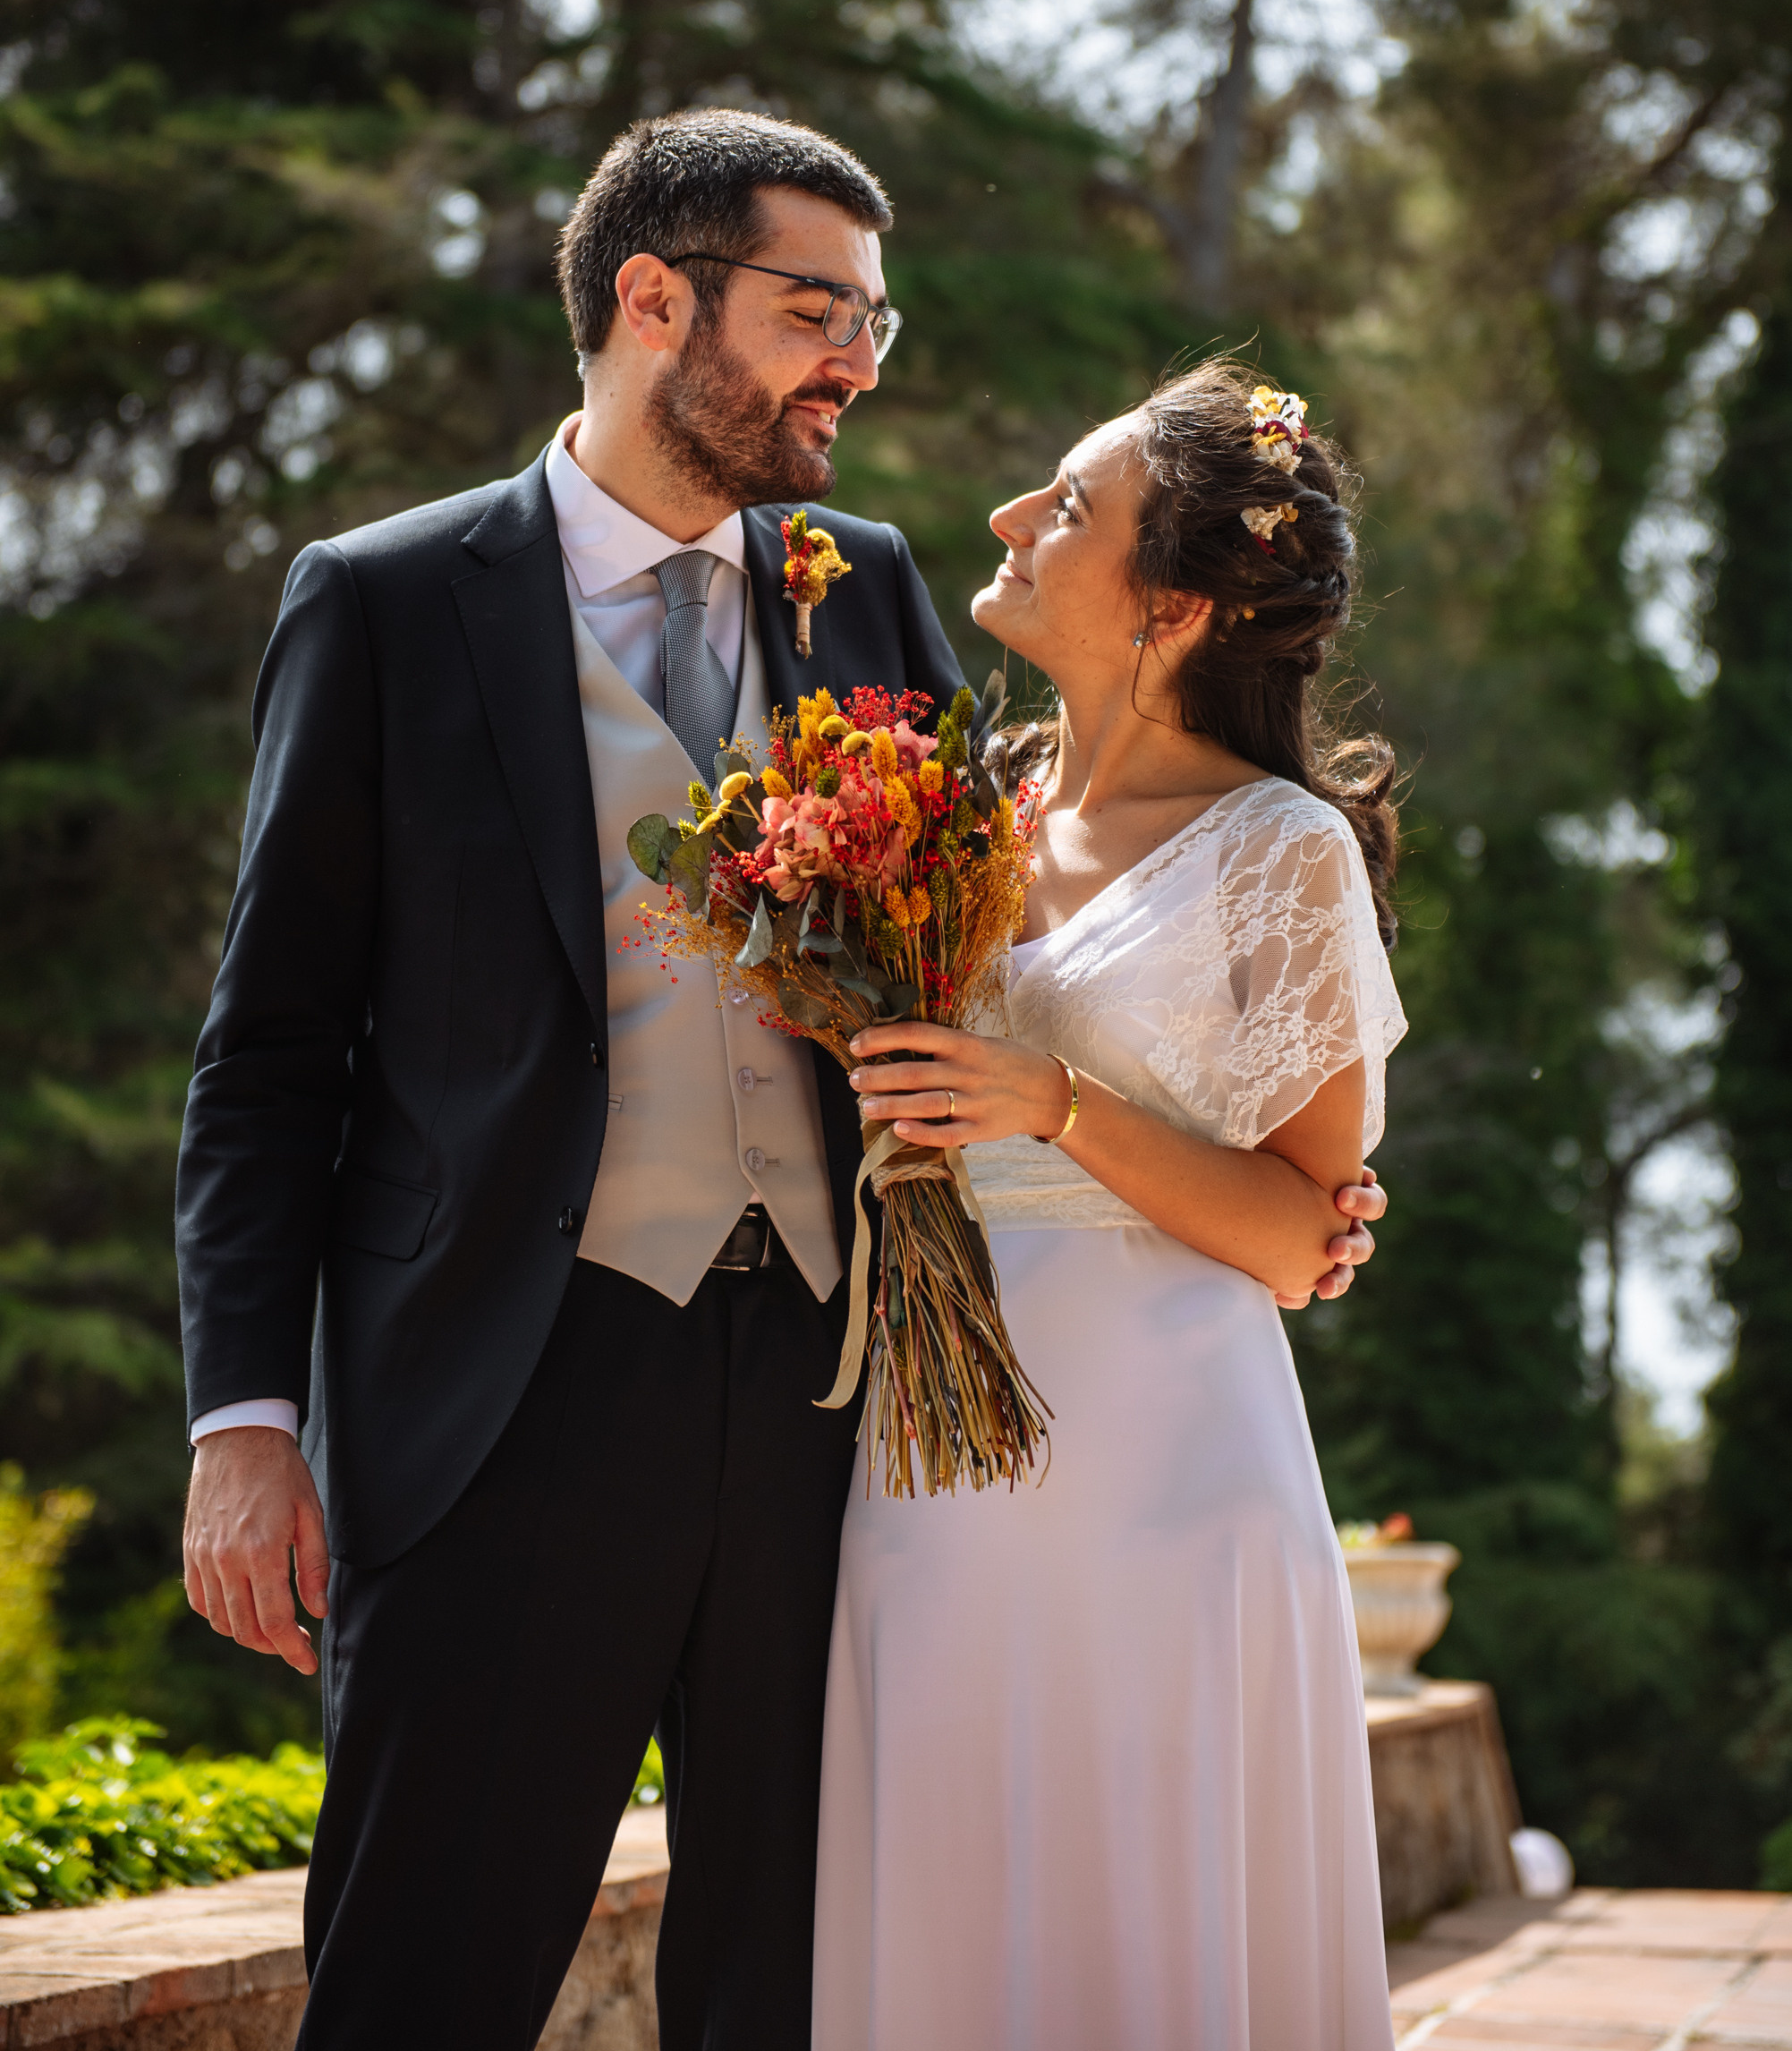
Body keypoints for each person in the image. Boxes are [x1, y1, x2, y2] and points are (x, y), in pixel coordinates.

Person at [174, 112, 1389, 2051]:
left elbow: (1023, 928)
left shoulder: (870, 591)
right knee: (421, 1979)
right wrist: (243, 1416)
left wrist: (1238, 1172)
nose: (863, 361)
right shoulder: (386, 603)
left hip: (850, 1428)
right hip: (502, 1397)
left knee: (800, 1992)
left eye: (878, 321)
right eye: (820, 309)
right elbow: (269, 1057)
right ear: (654, 302)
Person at [812, 362, 1405, 2051]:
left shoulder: (1278, 849)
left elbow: (1304, 1238)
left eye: (1065, 505)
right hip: (928, 1458)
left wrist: (1056, 1106)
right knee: (942, 1900)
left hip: (1168, 1484)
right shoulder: (956, 810)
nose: (1007, 520)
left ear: (1175, 607)